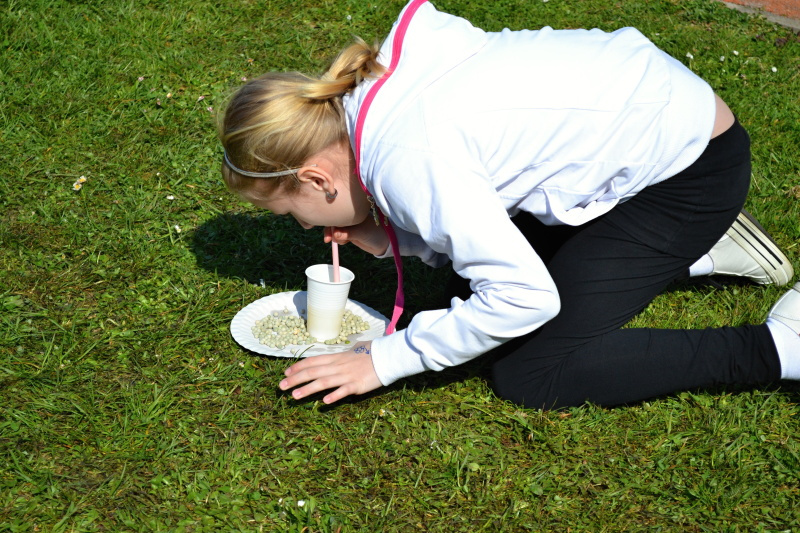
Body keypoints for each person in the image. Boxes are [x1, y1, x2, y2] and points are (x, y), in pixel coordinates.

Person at [218, 0, 799, 409]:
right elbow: (469, 189)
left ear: (317, 178)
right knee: (467, 289)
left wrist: (384, 361)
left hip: (689, 177)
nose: (303, 225)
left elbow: (525, 299)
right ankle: (698, 251)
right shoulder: (369, 103)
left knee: (534, 372)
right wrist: (397, 239)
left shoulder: (408, 162)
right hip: (664, 135)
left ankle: (779, 346)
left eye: (290, 212)